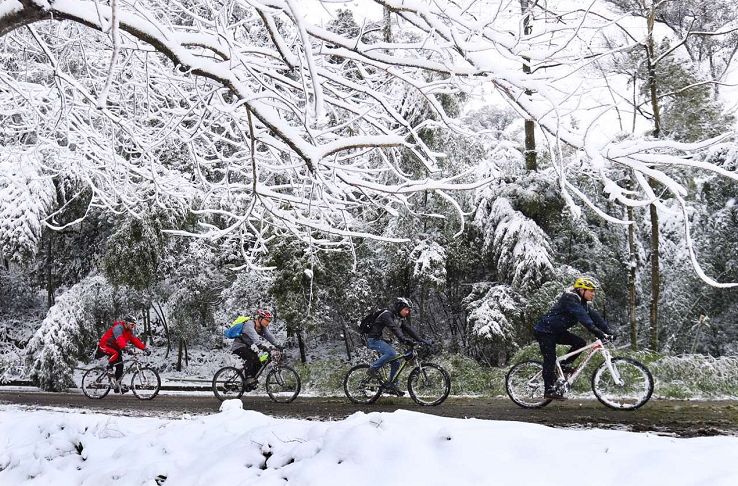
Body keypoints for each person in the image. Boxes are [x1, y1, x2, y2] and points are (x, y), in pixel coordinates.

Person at [533, 276, 613, 400]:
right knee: (550, 359)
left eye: (594, 291)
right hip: (545, 331)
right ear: (581, 290)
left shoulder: (583, 303)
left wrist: (608, 332)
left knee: (580, 343)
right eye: (591, 291)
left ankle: (564, 365)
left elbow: (595, 317)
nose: (593, 294)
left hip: (557, 331)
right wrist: (596, 331)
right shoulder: (570, 298)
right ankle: (548, 389)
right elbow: (583, 318)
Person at [364, 298, 429, 397]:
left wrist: (421, 340)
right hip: (374, 340)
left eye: (409, 310)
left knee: (396, 362)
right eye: (406, 309)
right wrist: (403, 338)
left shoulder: (399, 318)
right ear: (400, 308)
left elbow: (409, 329)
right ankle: (372, 369)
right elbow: (393, 327)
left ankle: (391, 386)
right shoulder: (387, 315)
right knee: (391, 354)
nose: (408, 312)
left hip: (385, 342)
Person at [228, 309, 282, 386]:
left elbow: (269, 336)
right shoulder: (249, 324)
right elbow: (255, 337)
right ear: (260, 318)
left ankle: (252, 380)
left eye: (269, 321)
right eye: (266, 320)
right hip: (238, 346)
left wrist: (278, 345)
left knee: (260, 360)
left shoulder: (262, 328)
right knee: (252, 358)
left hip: (247, 346)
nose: (268, 323)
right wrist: (261, 346)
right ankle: (248, 378)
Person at [96, 316, 148, 394]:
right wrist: (126, 348)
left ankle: (117, 386)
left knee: (120, 366)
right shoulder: (118, 328)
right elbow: (119, 340)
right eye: (132, 325)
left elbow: (135, 341)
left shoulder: (129, 331)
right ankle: (109, 368)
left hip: (114, 347)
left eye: (134, 325)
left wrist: (144, 349)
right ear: (126, 323)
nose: (133, 327)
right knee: (115, 353)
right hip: (104, 345)